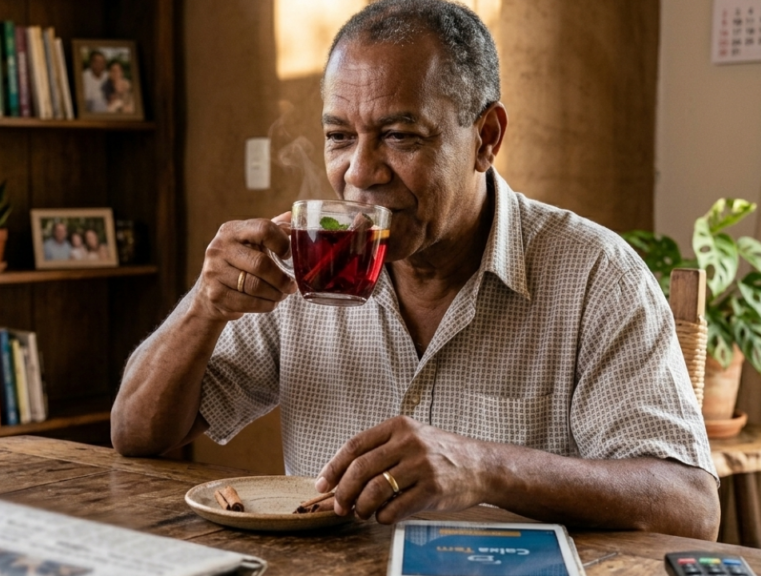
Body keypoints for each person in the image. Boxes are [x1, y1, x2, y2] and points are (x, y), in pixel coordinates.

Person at [111, 0, 720, 539]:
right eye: (338, 135)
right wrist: (204, 308)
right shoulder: (311, 261)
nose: (359, 173)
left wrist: (486, 468)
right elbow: (138, 436)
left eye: (399, 136)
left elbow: (690, 508)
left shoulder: (592, 273)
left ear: (486, 137)